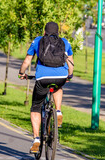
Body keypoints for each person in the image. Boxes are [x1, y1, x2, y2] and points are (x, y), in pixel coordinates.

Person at [18, 22, 74, 153]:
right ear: (58, 33)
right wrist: (69, 75)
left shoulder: (38, 40)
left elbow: (27, 60)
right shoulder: (65, 42)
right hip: (60, 76)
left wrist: (22, 73)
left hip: (43, 78)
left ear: (44, 32)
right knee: (58, 87)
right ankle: (58, 111)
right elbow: (70, 62)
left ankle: (36, 139)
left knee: (36, 107)